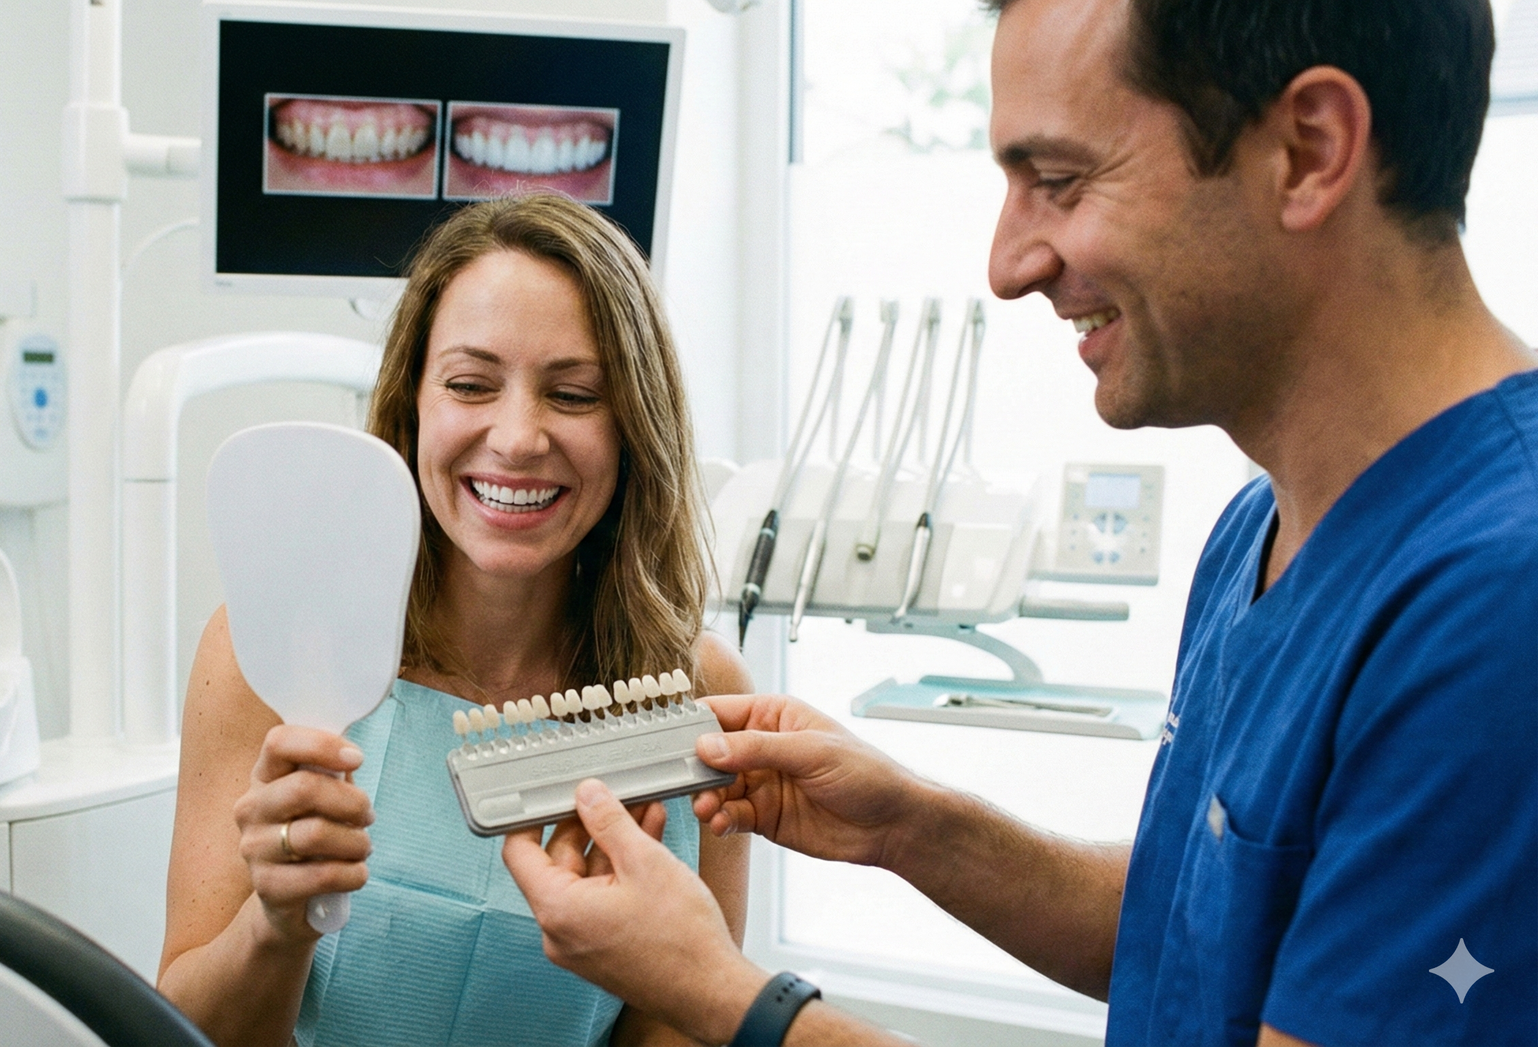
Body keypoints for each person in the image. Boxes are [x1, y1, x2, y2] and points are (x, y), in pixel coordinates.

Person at [502, 0, 1538, 1044]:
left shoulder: (1497, 604)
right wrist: (911, 824)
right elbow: (1205, 932)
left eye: (1061, 181)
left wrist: (722, 995)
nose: (1007, 265)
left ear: (1308, 152)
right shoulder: (1263, 528)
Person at [154, 192, 753, 1047]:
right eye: (471, 385)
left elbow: (686, 1028)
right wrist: (276, 924)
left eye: (573, 394)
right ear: (413, 404)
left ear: (634, 427)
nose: (517, 438)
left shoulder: (697, 695)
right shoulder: (272, 650)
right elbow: (179, 1031)